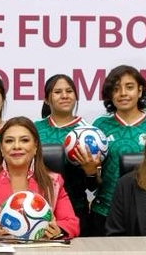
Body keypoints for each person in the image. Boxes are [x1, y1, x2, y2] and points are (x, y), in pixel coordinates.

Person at [0, 116, 80, 239]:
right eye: (9, 141)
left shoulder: (53, 182)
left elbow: (71, 223)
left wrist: (58, 230)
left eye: (24, 140)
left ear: (35, 146)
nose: (16, 146)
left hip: (42, 254)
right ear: (1, 148)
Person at [89, 65, 146, 235]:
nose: (123, 93)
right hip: (105, 212)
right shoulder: (99, 126)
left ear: (140, 90)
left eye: (129, 87)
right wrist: (90, 172)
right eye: (116, 88)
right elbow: (92, 181)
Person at [33, 74, 98, 234]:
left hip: (75, 209)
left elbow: (94, 186)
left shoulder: (89, 133)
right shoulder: (34, 129)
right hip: (35, 209)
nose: (64, 96)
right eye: (57, 92)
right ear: (47, 99)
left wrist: (91, 171)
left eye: (69, 91)